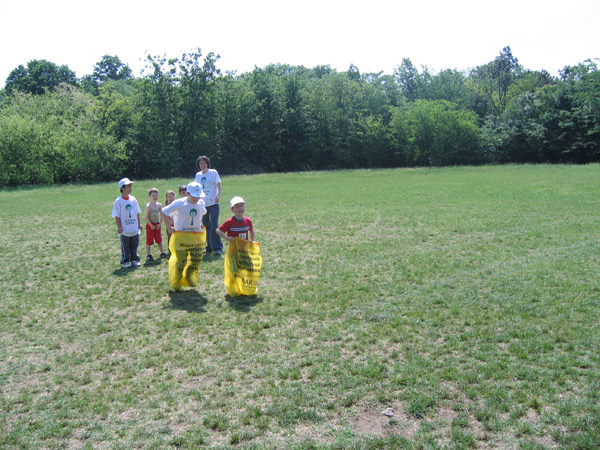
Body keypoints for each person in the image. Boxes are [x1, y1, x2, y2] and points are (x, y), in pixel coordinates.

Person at [161, 182, 207, 291]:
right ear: (187, 193)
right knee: (181, 261)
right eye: (194, 196)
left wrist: (198, 223)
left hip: (195, 237)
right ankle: (177, 281)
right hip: (181, 237)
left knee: (196, 259)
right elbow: (164, 211)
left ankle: (188, 276)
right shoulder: (179, 203)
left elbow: (202, 213)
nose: (196, 198)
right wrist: (169, 227)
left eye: (198, 195)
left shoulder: (201, 203)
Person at [111, 177, 142, 268]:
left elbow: (137, 212)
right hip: (125, 229)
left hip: (134, 228)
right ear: (122, 188)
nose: (130, 188)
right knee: (125, 246)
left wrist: (139, 223)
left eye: (130, 186)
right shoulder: (118, 201)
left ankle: (134, 259)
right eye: (128, 186)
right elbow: (117, 215)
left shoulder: (133, 199)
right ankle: (126, 261)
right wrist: (119, 227)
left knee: (134, 245)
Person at [195, 155, 223, 255]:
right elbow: (196, 190)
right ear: (198, 165)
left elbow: (219, 185)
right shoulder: (198, 175)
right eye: (201, 163)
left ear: (207, 163)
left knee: (214, 225)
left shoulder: (213, 172)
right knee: (206, 226)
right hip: (202, 204)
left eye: (204, 163)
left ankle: (218, 247)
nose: (203, 165)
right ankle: (209, 246)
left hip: (213, 203)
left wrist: (218, 195)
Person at [144, 187, 167, 261]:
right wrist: (151, 225)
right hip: (150, 225)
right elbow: (146, 217)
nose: (155, 197)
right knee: (149, 240)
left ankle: (162, 252)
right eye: (153, 195)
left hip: (157, 225)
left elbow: (162, 215)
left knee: (159, 239)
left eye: (156, 195)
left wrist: (160, 223)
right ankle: (148, 254)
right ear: (149, 196)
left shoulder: (159, 205)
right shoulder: (148, 206)